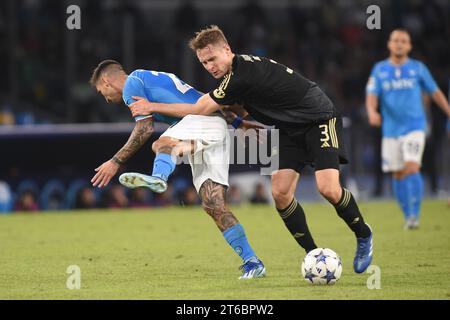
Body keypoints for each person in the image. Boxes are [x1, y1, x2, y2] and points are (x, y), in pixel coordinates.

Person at [129, 25, 373, 273]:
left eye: (212, 58)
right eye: (204, 62)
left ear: (227, 49)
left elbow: (202, 107)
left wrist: (151, 105)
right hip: (288, 129)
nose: (209, 66)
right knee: (280, 193)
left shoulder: (240, 75)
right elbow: (236, 105)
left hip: (319, 118)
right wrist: (239, 122)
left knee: (328, 188)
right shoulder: (233, 76)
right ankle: (314, 256)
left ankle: (363, 234)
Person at [89, 60, 265, 279]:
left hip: (199, 123)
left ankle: (159, 177)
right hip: (213, 126)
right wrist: (237, 122)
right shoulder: (156, 75)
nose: (106, 99)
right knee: (213, 204)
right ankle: (252, 262)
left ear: (106, 81)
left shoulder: (131, 84)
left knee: (160, 144)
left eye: (101, 92)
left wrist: (115, 161)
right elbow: (202, 98)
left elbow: (144, 128)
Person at [366, 29, 450, 229]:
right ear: (389, 44)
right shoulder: (379, 70)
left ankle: (415, 215)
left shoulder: (418, 68)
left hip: (415, 126)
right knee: (397, 173)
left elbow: (435, 92)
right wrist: (371, 112)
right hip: (391, 129)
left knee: (412, 166)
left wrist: (448, 112)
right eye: (396, 40)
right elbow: (371, 94)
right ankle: (407, 215)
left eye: (403, 41)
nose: (399, 44)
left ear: (409, 46)